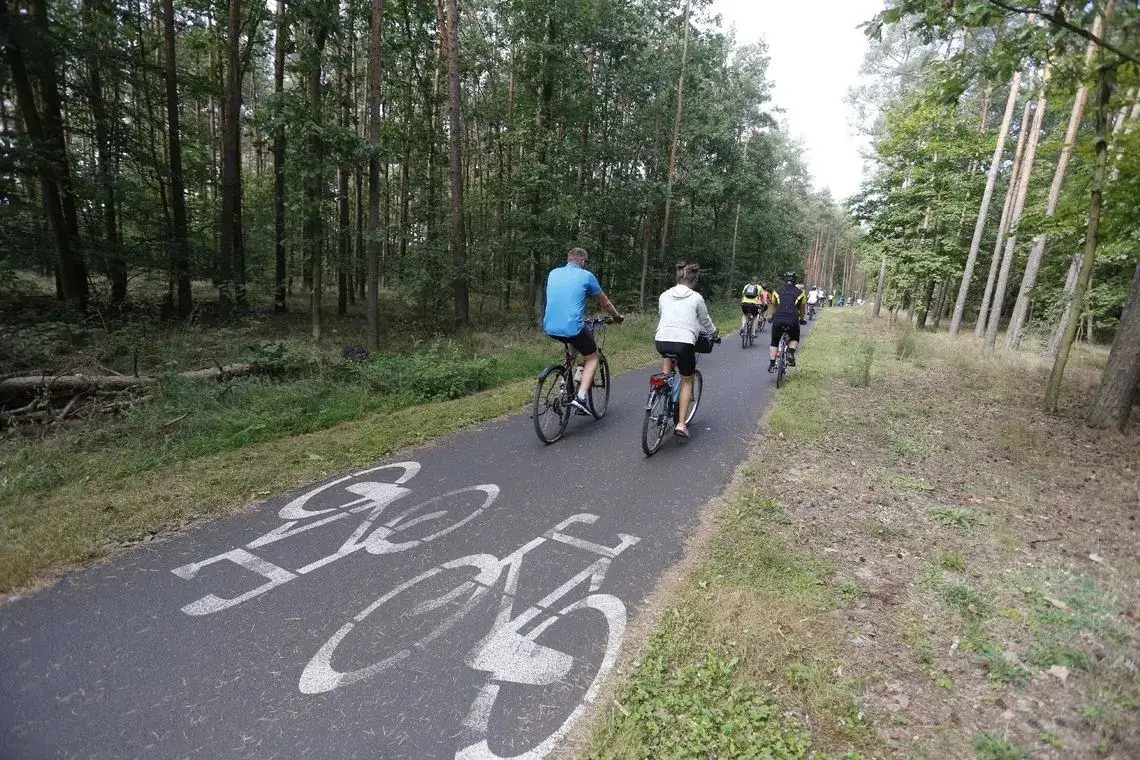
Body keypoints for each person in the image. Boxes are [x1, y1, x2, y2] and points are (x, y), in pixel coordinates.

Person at [543, 247, 624, 416]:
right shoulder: (586, 276)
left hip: (550, 327)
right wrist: (617, 317)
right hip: (573, 327)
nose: (586, 266)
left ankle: (563, 388)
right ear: (582, 261)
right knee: (592, 356)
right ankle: (580, 398)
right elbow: (605, 302)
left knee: (572, 352)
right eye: (586, 263)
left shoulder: (553, 273)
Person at [655, 262, 717, 438]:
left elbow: (663, 314)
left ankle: (664, 385)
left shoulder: (664, 295)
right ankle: (681, 424)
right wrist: (713, 333)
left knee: (667, 360)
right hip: (684, 343)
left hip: (661, 340)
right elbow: (705, 320)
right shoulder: (696, 297)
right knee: (687, 380)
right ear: (694, 280)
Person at [767, 271, 806, 372]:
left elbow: (774, 306)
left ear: (785, 279)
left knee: (774, 341)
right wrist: (801, 319)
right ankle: (790, 352)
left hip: (778, 318)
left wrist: (771, 316)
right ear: (795, 280)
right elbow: (802, 309)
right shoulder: (801, 293)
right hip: (792, 319)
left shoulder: (776, 291)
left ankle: (772, 365)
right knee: (794, 337)